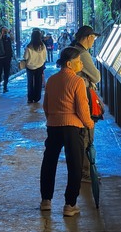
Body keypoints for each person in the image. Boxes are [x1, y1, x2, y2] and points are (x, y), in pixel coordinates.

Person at [39, 46, 94, 216]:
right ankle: (70, 204)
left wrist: (52, 119)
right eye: (78, 62)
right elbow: (82, 109)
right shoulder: (78, 82)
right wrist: (89, 123)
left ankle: (46, 200)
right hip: (72, 128)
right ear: (69, 64)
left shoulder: (52, 80)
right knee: (74, 164)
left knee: (49, 162)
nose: (81, 65)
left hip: (53, 126)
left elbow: (46, 106)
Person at [71, 25, 102, 180]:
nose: (93, 41)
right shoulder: (83, 54)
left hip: (74, 95)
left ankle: (82, 169)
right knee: (87, 132)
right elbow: (96, 77)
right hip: (83, 96)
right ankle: (85, 170)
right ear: (88, 37)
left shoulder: (73, 50)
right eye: (93, 38)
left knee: (81, 133)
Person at [23, 28, 48, 103]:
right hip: (39, 66)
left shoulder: (29, 46)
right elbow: (45, 57)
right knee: (38, 82)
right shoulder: (42, 46)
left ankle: (30, 98)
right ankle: (37, 98)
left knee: (30, 82)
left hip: (30, 67)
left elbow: (25, 57)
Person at [0, 27, 13, 95]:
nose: (4, 32)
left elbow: (13, 39)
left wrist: (9, 33)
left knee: (6, 73)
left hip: (7, 58)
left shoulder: (8, 38)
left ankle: (5, 87)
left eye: (5, 30)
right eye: (3, 30)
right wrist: (1, 34)